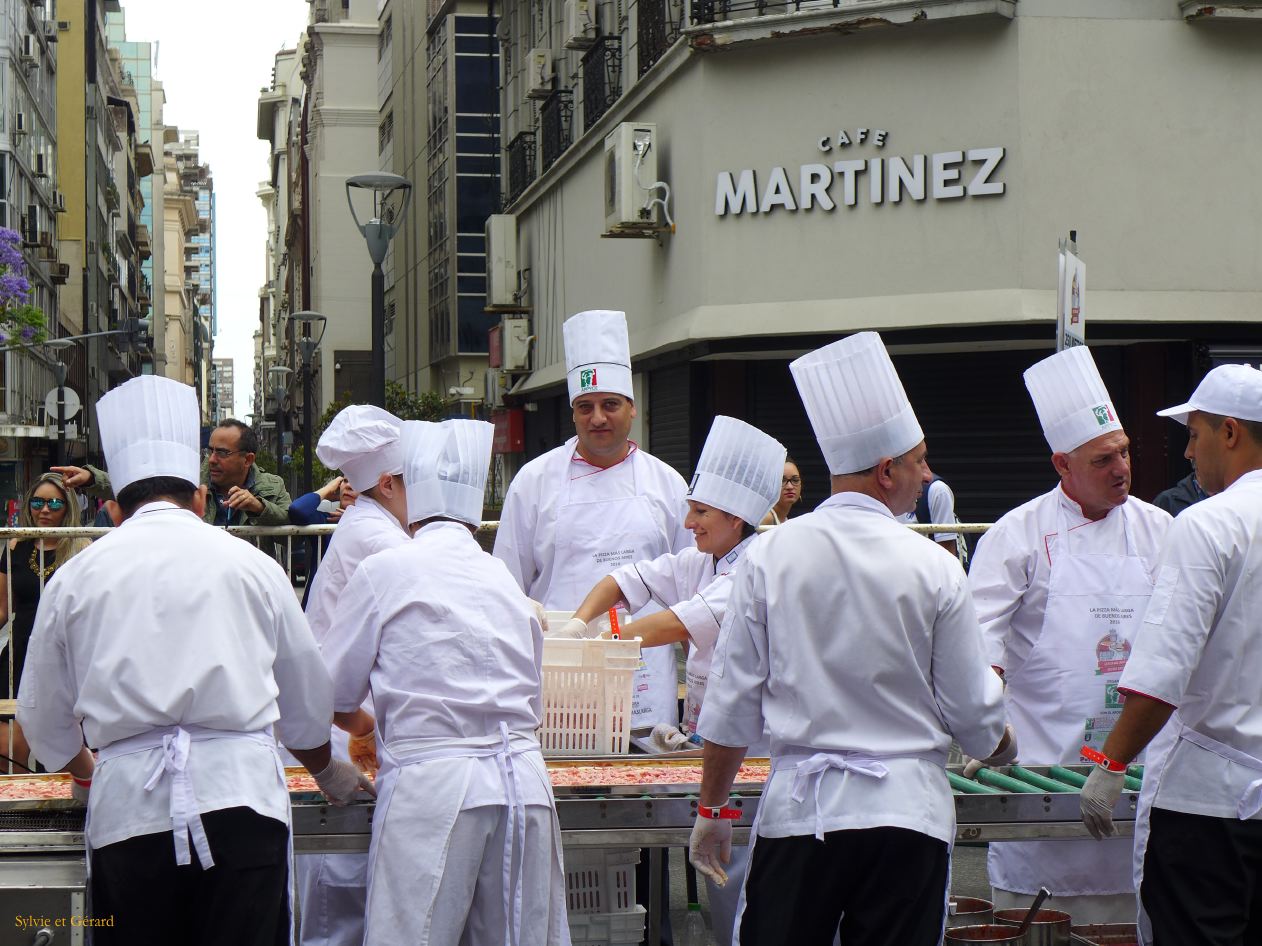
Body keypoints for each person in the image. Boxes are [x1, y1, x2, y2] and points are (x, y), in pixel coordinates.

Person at [16, 375, 371, 946]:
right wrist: (331, 773)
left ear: (113, 509)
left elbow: (43, 720)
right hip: (243, 807)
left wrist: (87, 772)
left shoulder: (76, 578)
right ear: (201, 500)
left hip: (129, 813)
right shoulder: (253, 566)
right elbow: (305, 704)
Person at [690, 332, 1013, 946]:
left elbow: (730, 704)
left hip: (801, 819)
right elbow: (974, 712)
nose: (925, 476)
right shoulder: (933, 564)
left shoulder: (770, 555)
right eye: (918, 462)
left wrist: (712, 810)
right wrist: (1000, 741)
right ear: (888, 470)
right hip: (905, 820)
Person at [325, 419, 567, 946]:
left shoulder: (387, 567)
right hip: (523, 784)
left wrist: (366, 730)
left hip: (433, 787)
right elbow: (532, 691)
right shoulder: (501, 577)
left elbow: (333, 694)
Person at [560, 414, 785, 946]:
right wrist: (576, 622)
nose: (688, 521)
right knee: (728, 889)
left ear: (736, 517)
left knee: (752, 894)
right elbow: (625, 579)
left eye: (700, 511)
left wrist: (611, 642)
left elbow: (679, 623)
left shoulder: (755, 566)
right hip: (712, 743)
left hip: (754, 753)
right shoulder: (700, 560)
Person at [966, 345, 1171, 923]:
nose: (1122, 469)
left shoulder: (1162, 531)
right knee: (1041, 925)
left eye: (1125, 452)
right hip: (1042, 777)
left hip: (1138, 772)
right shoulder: (1016, 537)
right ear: (1062, 465)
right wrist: (987, 720)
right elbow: (981, 640)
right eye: (1104, 459)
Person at [1079, 364, 1262, 946]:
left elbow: (1163, 672)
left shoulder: (1209, 523)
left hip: (1211, 804)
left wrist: (1110, 766)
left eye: (1195, 434)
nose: (1188, 452)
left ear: (1229, 432)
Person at [292, 403, 411, 946]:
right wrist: (364, 728)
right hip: (343, 723)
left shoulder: (371, 524)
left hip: (348, 715)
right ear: (387, 483)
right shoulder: (377, 537)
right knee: (342, 881)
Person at [0, 472, 91, 770]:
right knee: (9, 746)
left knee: (63, 741)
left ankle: (62, 808)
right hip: (19, 653)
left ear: (68, 508)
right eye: (38, 502)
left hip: (67, 656)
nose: (45, 510)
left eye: (54, 503)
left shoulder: (83, 549)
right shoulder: (17, 546)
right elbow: (2, 609)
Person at [53, 418, 292, 527]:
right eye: (209, 451)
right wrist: (91, 478)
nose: (212, 460)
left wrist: (258, 507)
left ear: (248, 459)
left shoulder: (272, 485)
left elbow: (290, 520)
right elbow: (144, 484)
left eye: (222, 453)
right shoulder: (188, 479)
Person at [898, 463, 966, 563]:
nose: (928, 475)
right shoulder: (874, 495)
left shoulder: (937, 491)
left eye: (922, 459)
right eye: (918, 460)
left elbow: (947, 556)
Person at [761, 459, 803, 525]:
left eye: (795, 480)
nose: (790, 487)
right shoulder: (767, 518)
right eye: (782, 480)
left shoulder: (784, 519)